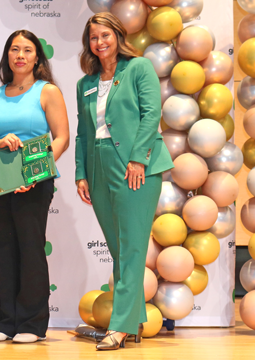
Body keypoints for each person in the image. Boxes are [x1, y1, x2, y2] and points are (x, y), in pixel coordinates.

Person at [74, 13, 174, 351]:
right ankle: (134, 323)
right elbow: (83, 132)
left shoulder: (139, 68)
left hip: (136, 164)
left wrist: (138, 158)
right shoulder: (85, 83)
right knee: (119, 249)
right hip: (98, 164)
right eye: (93, 38)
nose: (99, 42)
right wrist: (81, 173)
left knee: (131, 248)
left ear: (118, 35)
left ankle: (119, 326)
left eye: (105, 35)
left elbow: (151, 113)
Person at [0, 29, 70, 344]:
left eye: (27, 50)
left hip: (35, 182)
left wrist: (34, 174)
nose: (20, 55)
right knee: (4, 248)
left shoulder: (47, 91)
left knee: (30, 248)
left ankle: (32, 322)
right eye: (14, 49)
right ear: (7, 56)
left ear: (37, 57)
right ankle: (7, 320)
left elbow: (61, 138)